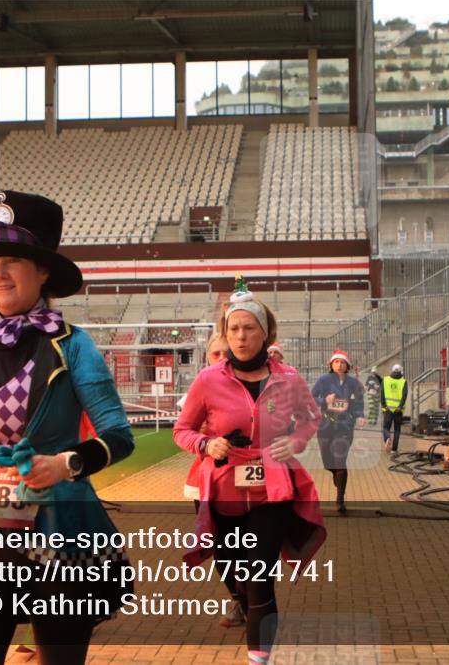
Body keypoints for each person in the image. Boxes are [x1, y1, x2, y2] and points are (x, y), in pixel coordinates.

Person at [0, 191, 135, 664]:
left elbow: (118, 436)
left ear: (43, 272)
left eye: (13, 259)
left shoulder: (73, 346)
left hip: (61, 529)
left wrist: (67, 464)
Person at [174, 277, 325, 665]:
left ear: (266, 332)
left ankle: (259, 658)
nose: (240, 337)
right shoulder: (208, 380)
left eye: (249, 328)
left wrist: (295, 442)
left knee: (259, 576)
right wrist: (207, 445)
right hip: (222, 490)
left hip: (270, 490)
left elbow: (312, 418)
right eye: (233, 330)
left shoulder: (288, 378)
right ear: (224, 335)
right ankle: (242, 603)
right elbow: (182, 431)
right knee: (231, 571)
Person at [178, 330, 245, 628]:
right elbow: (183, 431)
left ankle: (252, 598)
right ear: (207, 357)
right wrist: (205, 442)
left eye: (225, 353)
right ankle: (238, 598)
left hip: (248, 478)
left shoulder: (247, 387)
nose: (221, 358)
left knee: (250, 545)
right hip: (206, 477)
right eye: (215, 354)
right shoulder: (200, 386)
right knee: (220, 546)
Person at [310, 349, 365, 514]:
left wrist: (360, 415)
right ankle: (336, 475)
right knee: (328, 462)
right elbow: (311, 398)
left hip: (345, 426)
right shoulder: (323, 380)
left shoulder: (353, 383)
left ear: (347, 365)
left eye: (342, 362)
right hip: (325, 425)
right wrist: (324, 401)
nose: (339, 365)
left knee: (340, 461)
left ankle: (340, 499)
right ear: (331, 364)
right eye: (336, 362)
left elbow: (359, 401)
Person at [381, 363, 408, 455]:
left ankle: (387, 438)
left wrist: (384, 405)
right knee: (397, 429)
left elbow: (382, 394)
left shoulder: (385, 380)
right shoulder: (403, 381)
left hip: (387, 409)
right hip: (398, 410)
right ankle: (394, 449)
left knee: (385, 427)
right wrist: (400, 406)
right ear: (401, 371)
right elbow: (404, 395)